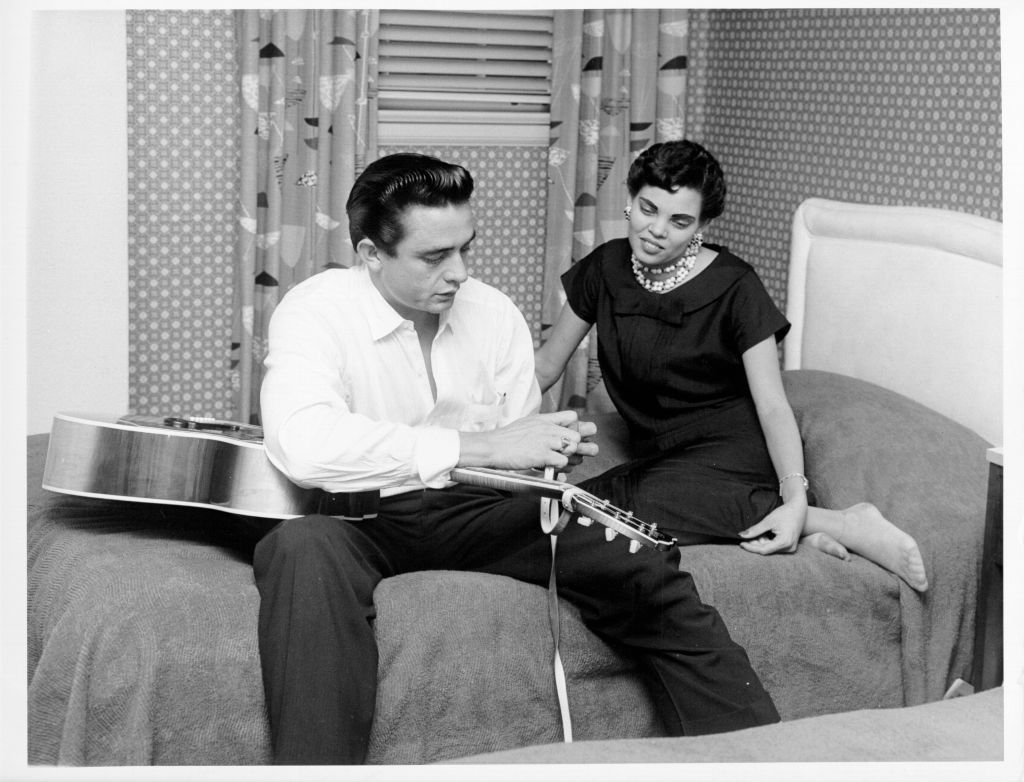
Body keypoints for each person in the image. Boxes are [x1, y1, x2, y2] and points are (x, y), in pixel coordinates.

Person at [254, 152, 781, 764]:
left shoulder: (492, 312)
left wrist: (543, 451)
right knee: (298, 551)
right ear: (371, 254)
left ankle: (761, 758)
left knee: (632, 558)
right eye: (433, 257)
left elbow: (519, 448)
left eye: (465, 250)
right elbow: (304, 444)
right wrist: (479, 445)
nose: (458, 274)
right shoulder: (314, 310)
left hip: (480, 509)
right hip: (357, 518)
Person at [535, 139, 929, 593]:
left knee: (612, 510)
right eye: (648, 209)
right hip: (658, 451)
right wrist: (482, 431)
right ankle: (795, 529)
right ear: (630, 200)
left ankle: (843, 522)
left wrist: (796, 498)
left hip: (729, 450)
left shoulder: (736, 285)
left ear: (702, 225)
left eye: (679, 221)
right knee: (581, 504)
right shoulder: (605, 267)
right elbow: (546, 365)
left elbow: (773, 406)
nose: (656, 230)